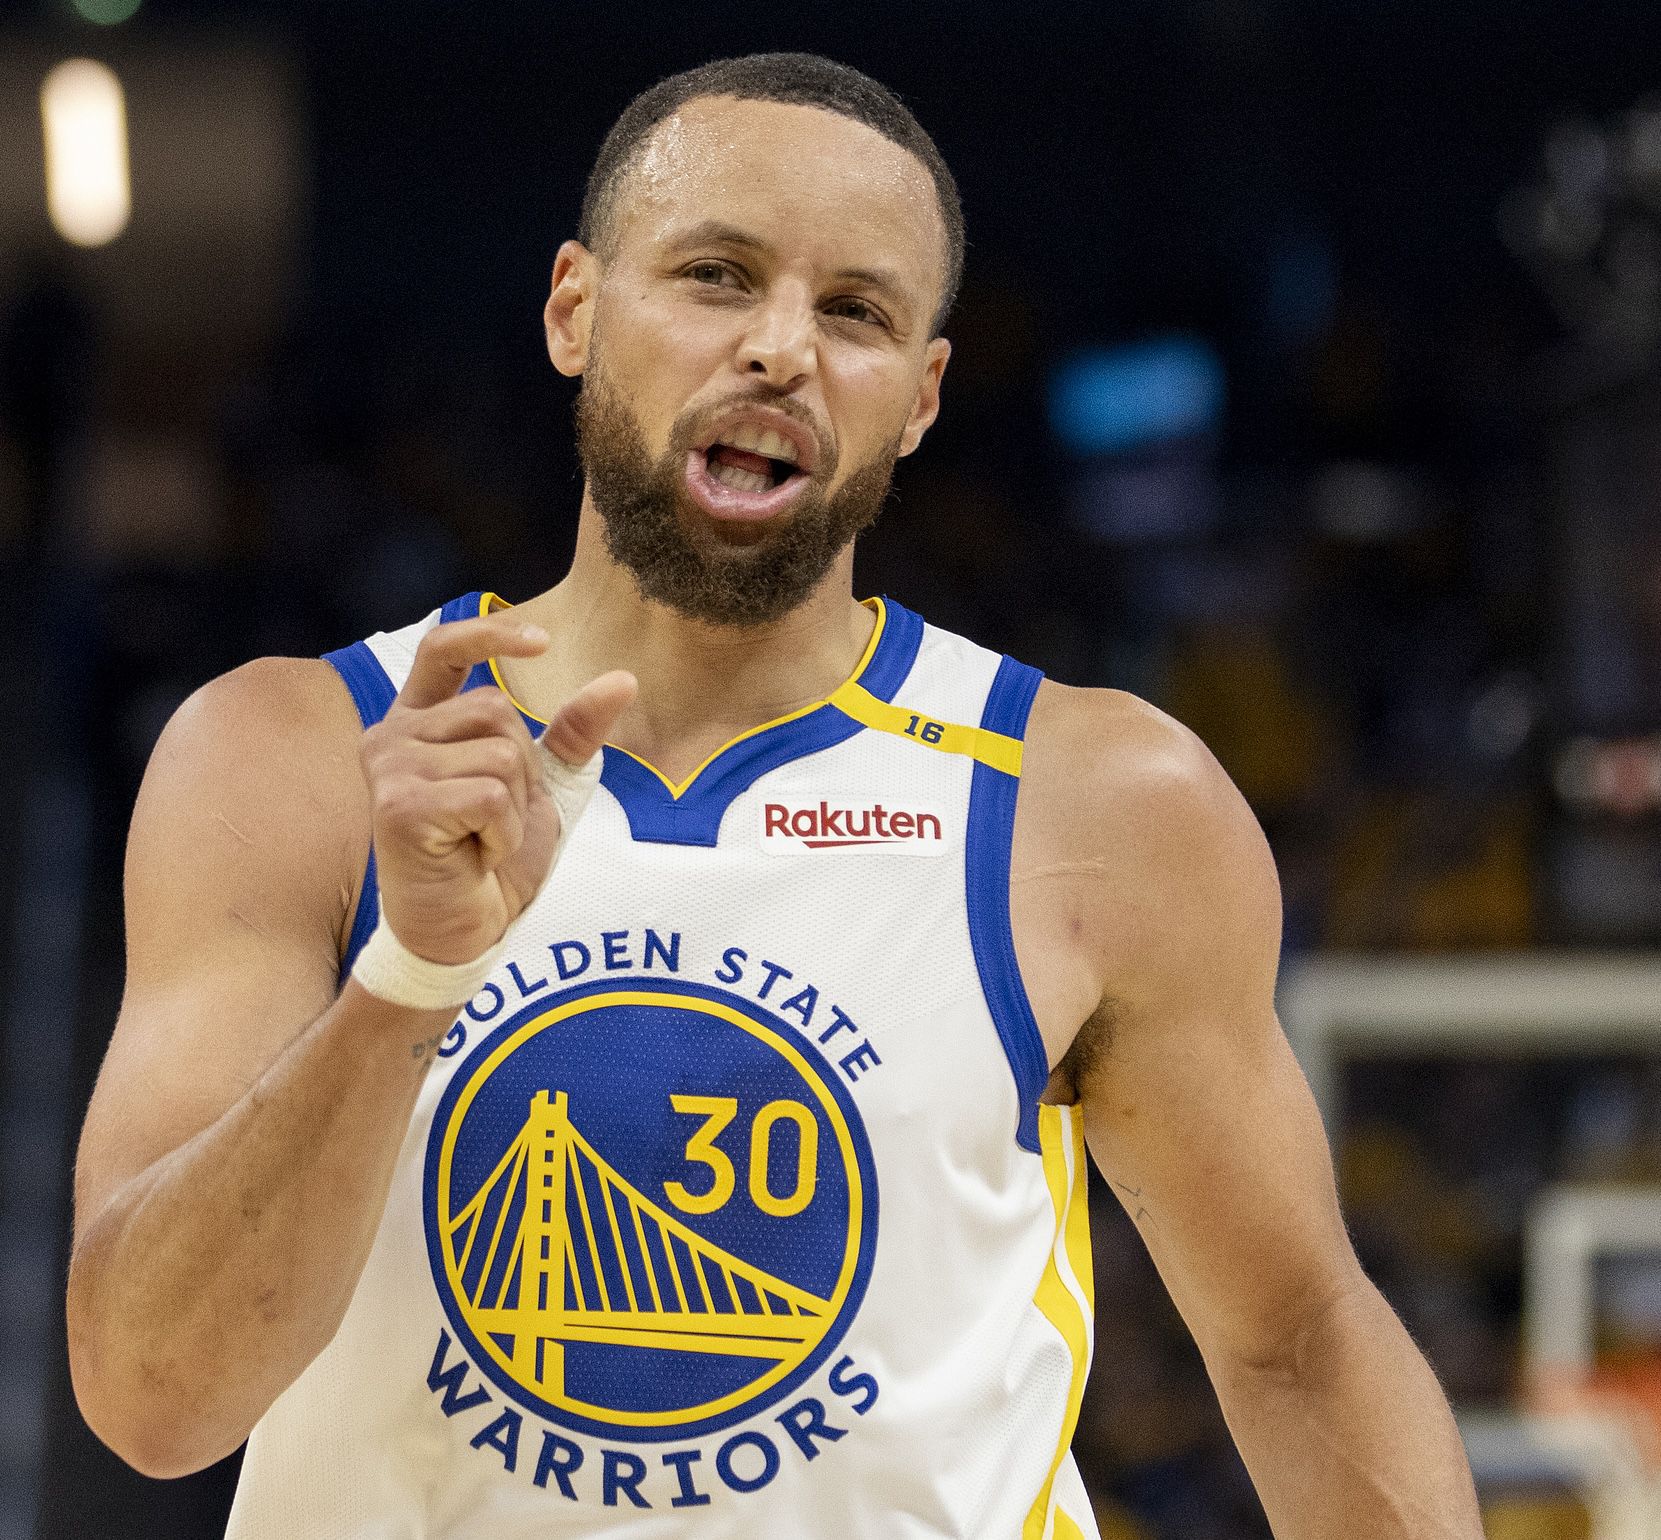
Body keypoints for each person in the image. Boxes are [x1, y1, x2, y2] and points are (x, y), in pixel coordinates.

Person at [66, 52, 1483, 1540]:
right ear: (573, 309)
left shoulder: (1097, 805)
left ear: (922, 398)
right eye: (716, 277)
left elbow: (1296, 1342)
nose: (781, 350)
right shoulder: (293, 758)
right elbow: (153, 1399)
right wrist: (407, 979)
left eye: (856, 312)